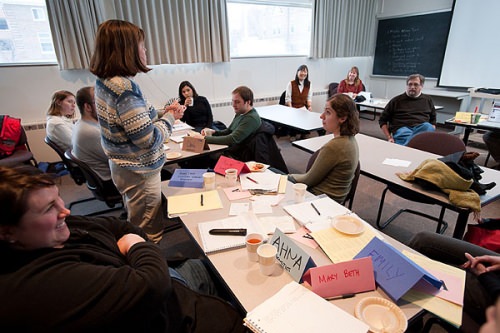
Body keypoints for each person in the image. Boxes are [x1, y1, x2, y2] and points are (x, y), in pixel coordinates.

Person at [0, 165, 245, 332]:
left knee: (226, 266)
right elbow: (151, 283)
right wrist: (134, 245)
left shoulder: (54, 231)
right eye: (48, 208)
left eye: (58, 198)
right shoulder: (38, 285)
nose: (64, 211)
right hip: (173, 314)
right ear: (7, 232)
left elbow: (122, 226)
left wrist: (133, 245)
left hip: (165, 280)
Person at [89, 20, 185, 243]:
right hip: (140, 171)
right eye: (142, 46)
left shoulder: (105, 82)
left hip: (123, 167)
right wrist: (171, 118)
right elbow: (148, 140)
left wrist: (162, 112)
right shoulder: (125, 89)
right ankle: (149, 272)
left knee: (136, 220)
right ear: (128, 50)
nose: (145, 51)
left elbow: (134, 118)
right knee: (148, 232)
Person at [409, 231, 500, 333]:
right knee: (422, 241)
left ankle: (409, 324)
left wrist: (485, 275)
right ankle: (413, 322)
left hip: (493, 293)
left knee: (415, 272)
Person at [289, 93, 359, 203]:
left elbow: (308, 180)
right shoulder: (350, 140)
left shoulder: (334, 147)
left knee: (276, 176)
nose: (322, 116)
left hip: (319, 201)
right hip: (333, 199)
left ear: (343, 118)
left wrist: (285, 177)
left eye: (328, 112)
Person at [199, 86, 261, 158]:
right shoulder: (240, 113)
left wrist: (204, 139)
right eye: (233, 101)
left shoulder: (251, 118)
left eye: (237, 102)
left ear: (248, 102)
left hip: (239, 155)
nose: (233, 105)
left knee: (204, 156)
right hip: (233, 150)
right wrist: (214, 132)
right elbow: (229, 131)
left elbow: (232, 139)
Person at [379, 74, 436, 146]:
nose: (412, 87)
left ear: (421, 86)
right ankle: (411, 145)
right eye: (410, 84)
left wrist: (430, 132)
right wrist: (389, 137)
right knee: (412, 138)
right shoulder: (396, 100)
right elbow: (382, 120)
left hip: (421, 129)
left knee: (427, 126)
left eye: (416, 85)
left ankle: (406, 146)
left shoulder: (428, 100)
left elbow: (433, 121)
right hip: (402, 128)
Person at [72, 86, 111, 182]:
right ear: (88, 107)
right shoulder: (89, 131)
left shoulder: (83, 123)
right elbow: (120, 159)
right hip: (110, 181)